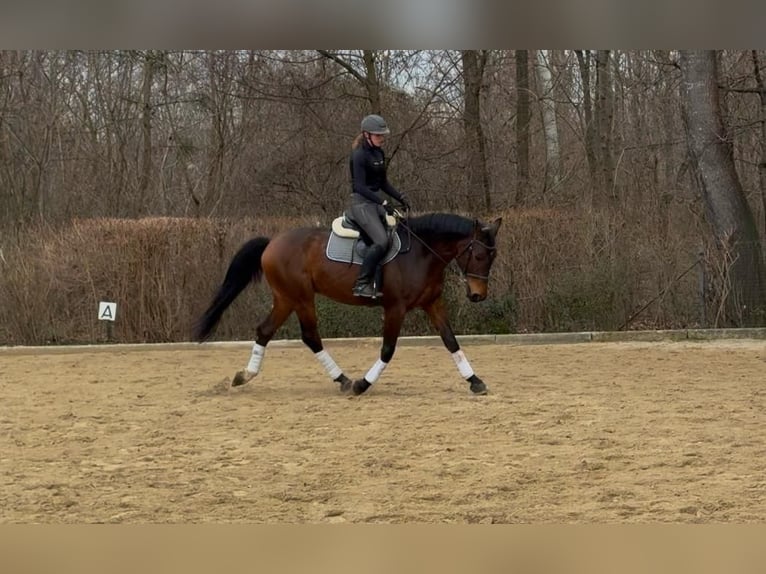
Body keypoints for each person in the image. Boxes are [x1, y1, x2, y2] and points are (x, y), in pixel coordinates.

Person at [347, 114, 411, 298]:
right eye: (378, 135)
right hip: (361, 204)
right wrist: (382, 202)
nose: (382, 138)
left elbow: (382, 183)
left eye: (382, 135)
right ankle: (361, 284)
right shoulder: (358, 155)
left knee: (393, 236)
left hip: (375, 203)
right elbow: (359, 186)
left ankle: (380, 283)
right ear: (366, 135)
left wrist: (400, 197)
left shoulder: (379, 153)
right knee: (381, 241)